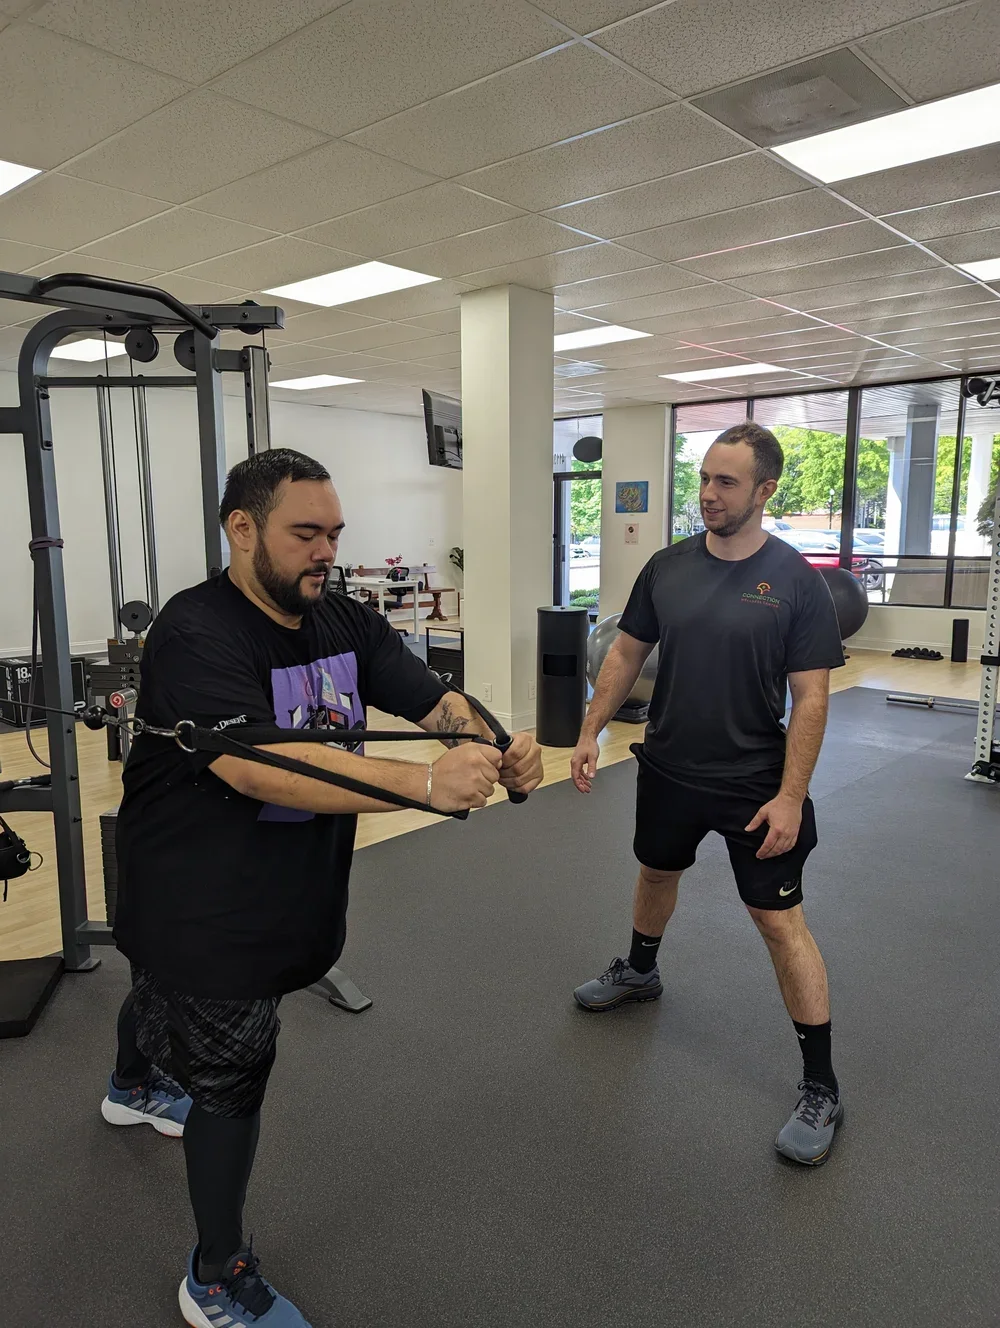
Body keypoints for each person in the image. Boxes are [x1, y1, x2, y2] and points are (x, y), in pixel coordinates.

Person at [100, 448, 544, 1327]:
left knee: (163, 997)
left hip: (285, 881)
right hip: (199, 890)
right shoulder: (196, 631)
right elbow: (257, 764)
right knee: (230, 1070)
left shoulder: (342, 620)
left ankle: (131, 1086)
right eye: (305, 533)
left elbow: (430, 698)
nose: (324, 552)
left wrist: (495, 740)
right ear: (241, 529)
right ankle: (215, 1275)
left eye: (334, 534)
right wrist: (421, 786)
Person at [571, 420, 846, 1167]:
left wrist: (792, 796)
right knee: (656, 870)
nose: (709, 495)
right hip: (667, 766)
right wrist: (592, 727)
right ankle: (641, 969)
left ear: (765, 489)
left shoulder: (796, 582)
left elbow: (812, 699)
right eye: (704, 479)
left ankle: (821, 1086)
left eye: (726, 482)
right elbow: (627, 650)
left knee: (778, 922)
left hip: (756, 782)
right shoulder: (666, 567)